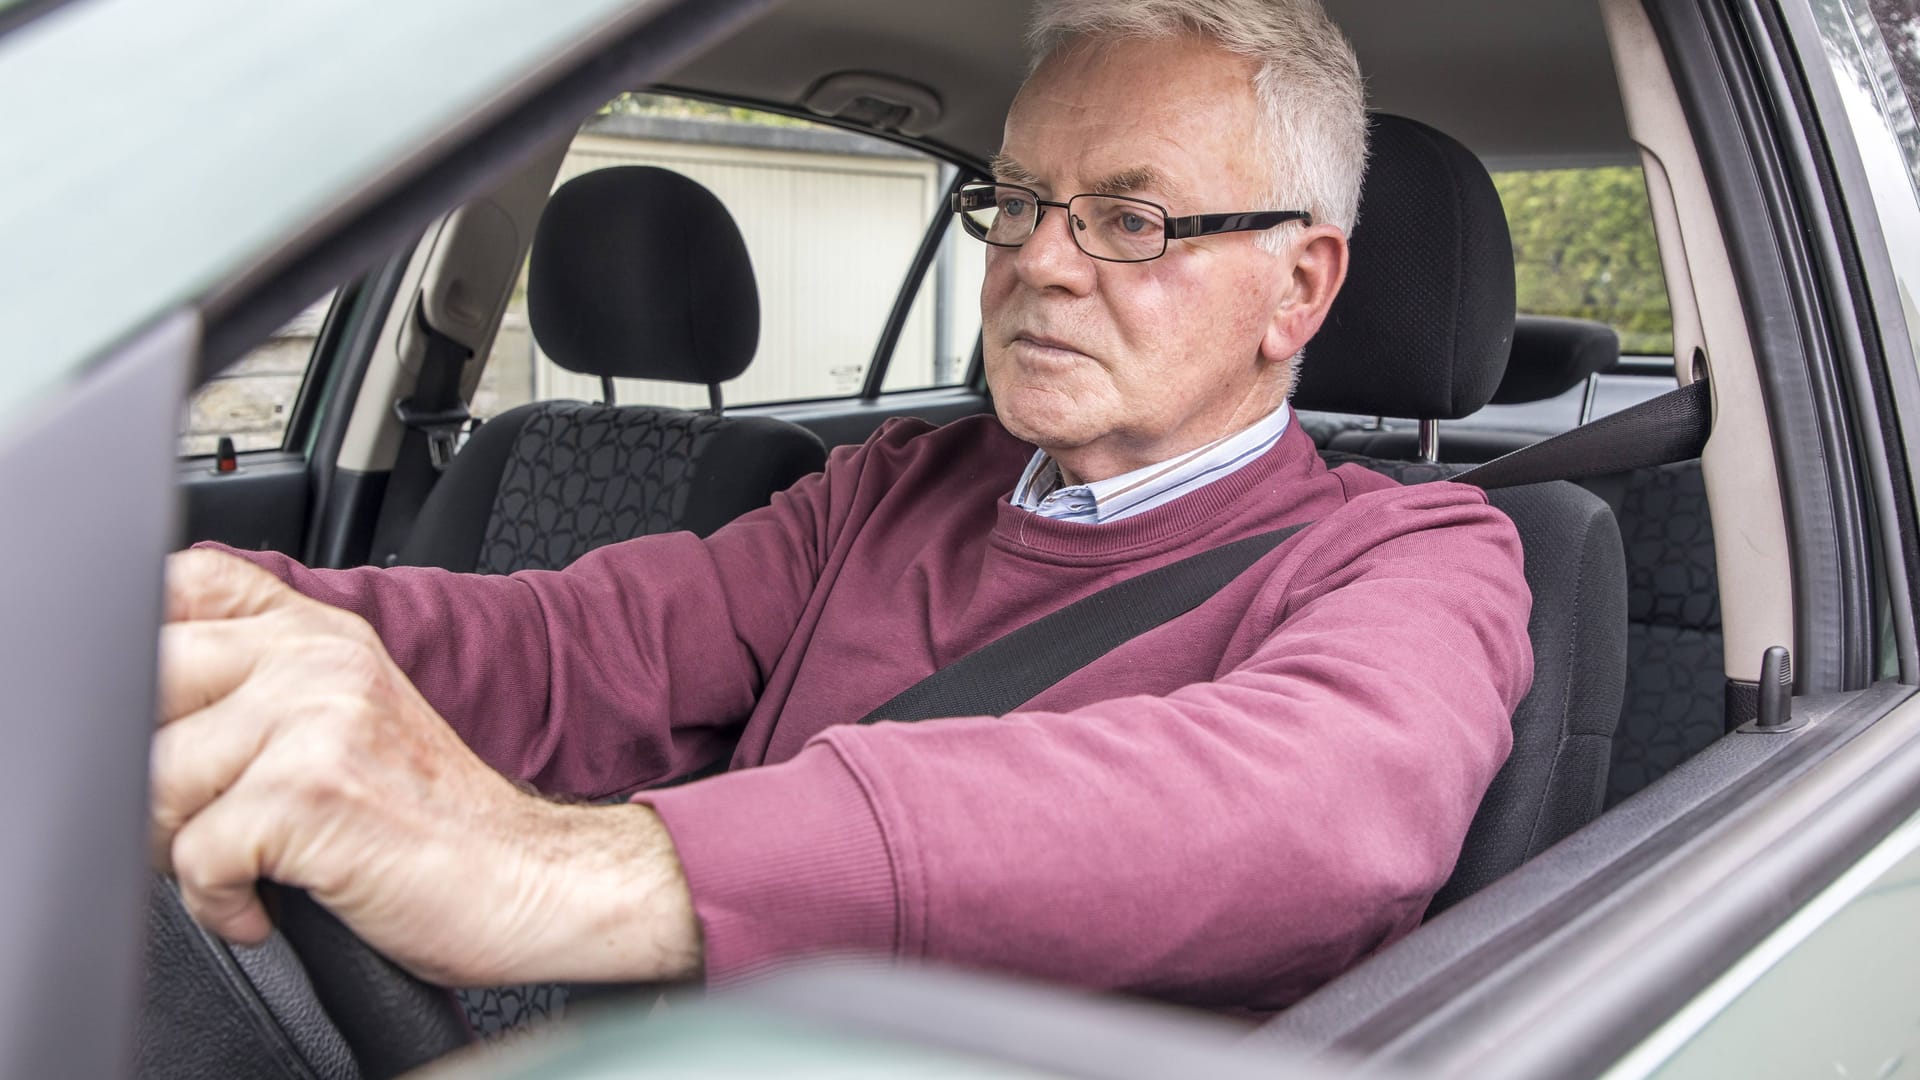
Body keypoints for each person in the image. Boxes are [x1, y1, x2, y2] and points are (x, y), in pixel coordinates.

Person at [152, 0, 1532, 1011]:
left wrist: (554, 874)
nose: (1038, 264)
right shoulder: (892, 490)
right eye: (1017, 199)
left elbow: (1308, 814)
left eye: (1132, 219)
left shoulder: (1415, 557)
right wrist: (204, 627)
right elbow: (577, 643)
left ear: (1299, 290)